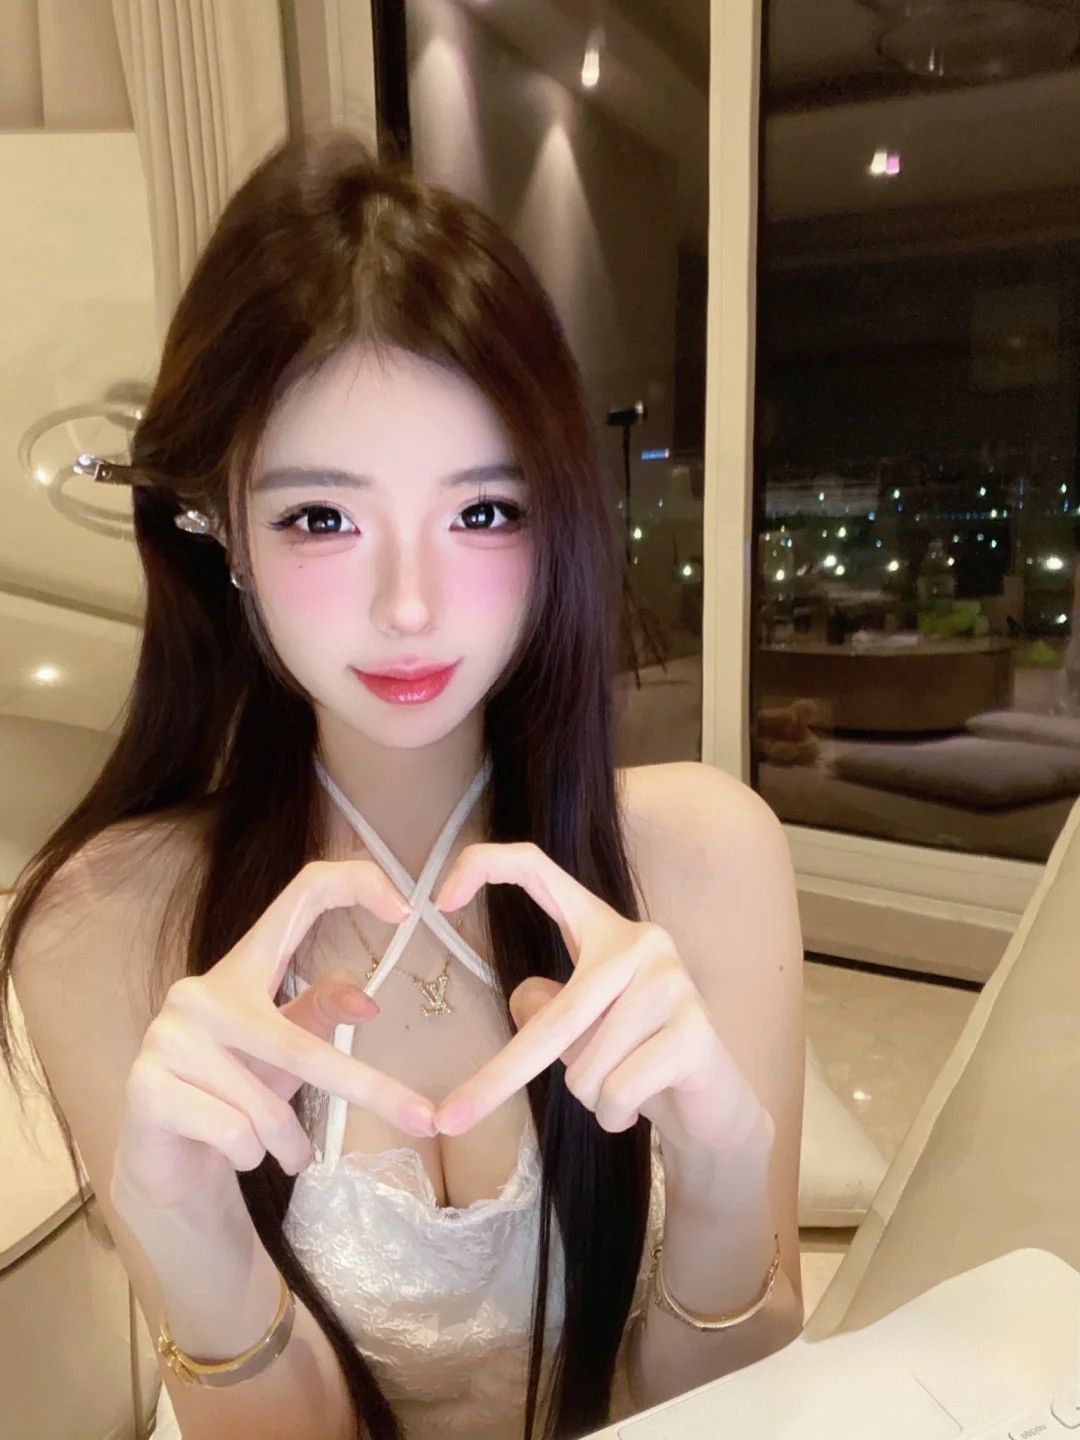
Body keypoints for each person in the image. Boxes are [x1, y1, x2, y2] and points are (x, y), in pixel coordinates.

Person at [0, 132, 804, 1440]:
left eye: (483, 512)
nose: (411, 604)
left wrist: (724, 1177)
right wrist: (189, 1232)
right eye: (322, 518)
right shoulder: (103, 922)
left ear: (555, 520)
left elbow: (729, 1411)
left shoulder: (709, 854)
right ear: (221, 529)